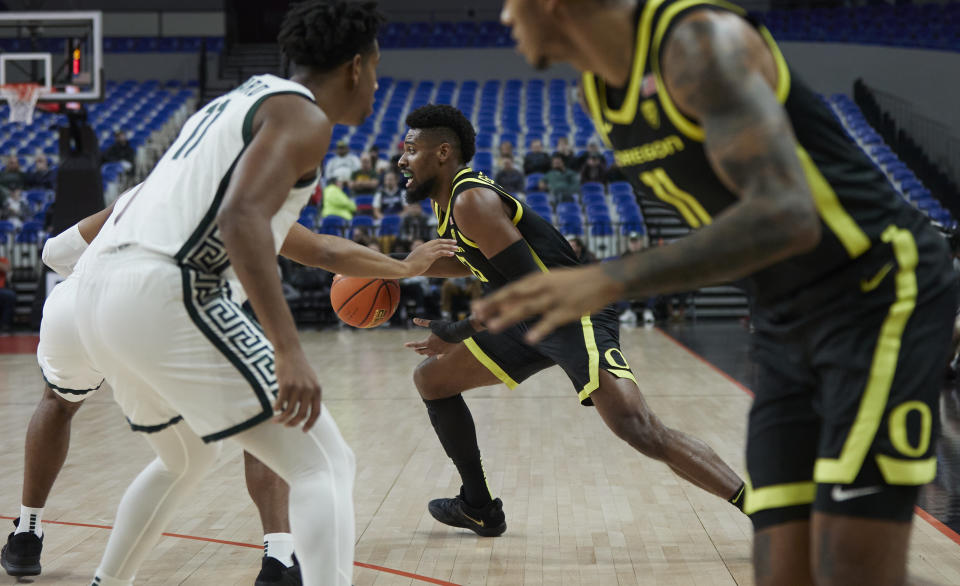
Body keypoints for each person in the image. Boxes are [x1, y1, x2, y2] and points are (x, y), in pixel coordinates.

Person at [479, 2, 959, 584]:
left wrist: (611, 276)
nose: (505, 15)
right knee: (786, 570)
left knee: (852, 569)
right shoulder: (596, 94)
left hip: (877, 292)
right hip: (786, 317)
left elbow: (788, 213)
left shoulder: (699, 45)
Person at [72, 3, 387, 585]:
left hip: (98, 292)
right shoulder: (305, 117)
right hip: (167, 288)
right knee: (325, 462)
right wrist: (288, 349)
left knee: (187, 457)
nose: (375, 82)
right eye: (375, 67)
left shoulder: (239, 100)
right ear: (354, 67)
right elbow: (240, 217)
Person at [0, 186, 456, 582]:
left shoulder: (145, 189)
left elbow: (53, 255)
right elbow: (323, 251)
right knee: (276, 420)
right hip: (154, 313)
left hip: (75, 310)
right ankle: (279, 557)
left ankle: (26, 533)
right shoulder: (240, 190)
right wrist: (405, 266)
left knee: (71, 409)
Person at [398, 103, 745, 538]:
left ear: (443, 152)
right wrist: (391, 268)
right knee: (433, 380)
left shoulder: (471, 200)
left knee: (639, 429)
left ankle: (765, 511)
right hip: (531, 318)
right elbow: (479, 263)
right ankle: (478, 506)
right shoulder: (450, 200)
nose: (401, 159)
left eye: (410, 149)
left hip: (570, 309)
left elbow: (532, 288)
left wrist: (458, 330)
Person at [0, 255, 13, 333]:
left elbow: (7, 269)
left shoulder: (3, 259)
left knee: (11, 296)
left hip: (1, 290)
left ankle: (5, 324)